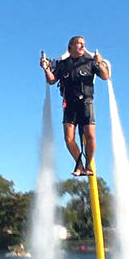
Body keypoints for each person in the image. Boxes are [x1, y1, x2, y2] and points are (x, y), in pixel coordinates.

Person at [40, 36, 109, 176]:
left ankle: (89, 164)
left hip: (86, 102)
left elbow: (105, 76)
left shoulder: (90, 62)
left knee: (90, 136)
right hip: (69, 103)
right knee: (69, 138)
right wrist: (46, 68)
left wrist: (100, 62)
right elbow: (52, 80)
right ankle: (79, 165)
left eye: (84, 44)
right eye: (79, 44)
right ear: (70, 47)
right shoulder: (62, 64)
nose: (82, 46)